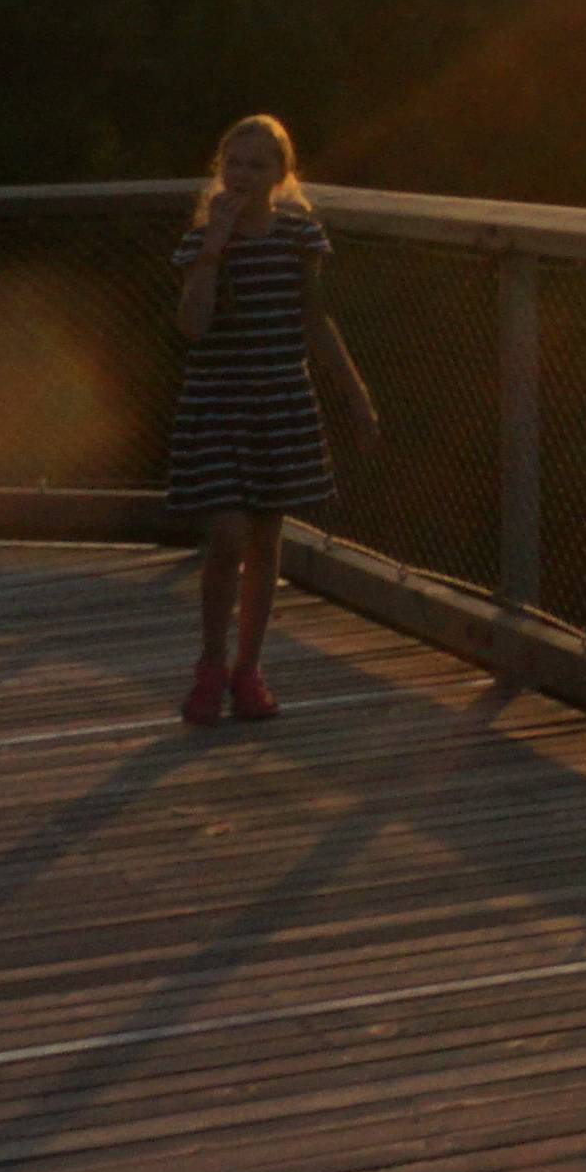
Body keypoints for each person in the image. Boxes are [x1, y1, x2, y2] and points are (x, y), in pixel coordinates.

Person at [170, 116, 377, 726]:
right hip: (217, 400)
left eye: (259, 165)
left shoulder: (299, 237)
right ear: (220, 170)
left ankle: (249, 670)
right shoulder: (201, 241)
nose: (243, 175)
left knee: (265, 539)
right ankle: (210, 663)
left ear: (282, 175)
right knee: (228, 535)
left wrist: (355, 394)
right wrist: (213, 250)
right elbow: (191, 325)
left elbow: (315, 321)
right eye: (234, 162)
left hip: (280, 401)